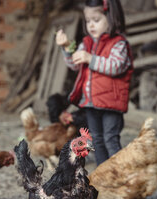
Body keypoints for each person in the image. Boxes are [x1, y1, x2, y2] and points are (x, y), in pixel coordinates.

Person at [56, 0, 133, 166]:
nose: (91, 25)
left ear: (111, 18)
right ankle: (103, 176)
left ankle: (121, 177)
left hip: (111, 104)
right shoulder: (87, 43)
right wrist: (66, 48)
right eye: (88, 21)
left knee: (110, 139)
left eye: (96, 20)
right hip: (91, 103)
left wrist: (90, 58)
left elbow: (116, 66)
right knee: (96, 140)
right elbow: (75, 64)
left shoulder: (119, 43)